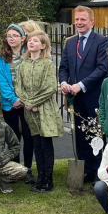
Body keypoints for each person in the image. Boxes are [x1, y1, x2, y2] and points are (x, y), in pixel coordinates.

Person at [58, 6, 108, 182]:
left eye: (83, 20)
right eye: (77, 20)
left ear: (92, 22)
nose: (79, 23)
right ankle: (85, 169)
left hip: (93, 96)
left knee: (96, 134)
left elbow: (102, 68)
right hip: (75, 98)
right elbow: (64, 67)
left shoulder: (102, 41)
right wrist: (64, 83)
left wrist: (81, 85)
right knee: (80, 135)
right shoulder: (70, 42)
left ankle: (98, 171)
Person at [16, 31, 65, 193]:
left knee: (45, 144)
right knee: (36, 143)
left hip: (45, 109)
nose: (31, 43)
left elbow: (50, 87)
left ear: (43, 46)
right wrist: (28, 103)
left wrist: (34, 102)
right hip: (30, 110)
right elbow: (19, 87)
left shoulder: (47, 64)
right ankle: (40, 178)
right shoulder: (23, 65)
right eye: (30, 40)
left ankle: (48, 180)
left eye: (35, 41)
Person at [0, 23, 35, 184]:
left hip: (27, 102)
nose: (11, 39)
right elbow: (2, 81)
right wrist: (12, 99)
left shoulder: (30, 53)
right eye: (8, 36)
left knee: (28, 135)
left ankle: (28, 169)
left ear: (23, 38)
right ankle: (15, 169)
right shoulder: (1, 57)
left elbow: (32, 78)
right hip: (9, 104)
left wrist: (24, 99)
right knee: (13, 137)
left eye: (14, 36)